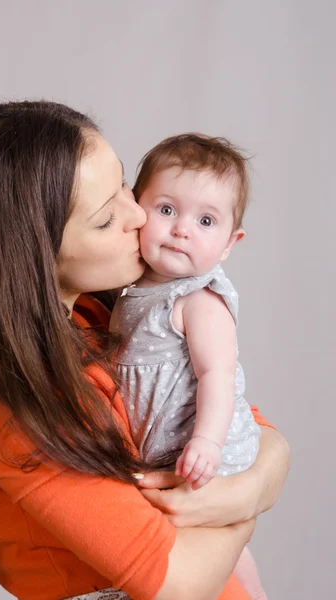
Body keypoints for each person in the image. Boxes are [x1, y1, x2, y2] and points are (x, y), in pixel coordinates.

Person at [0, 101, 289, 600]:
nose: (140, 213)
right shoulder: (2, 389)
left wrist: (251, 485)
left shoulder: (94, 315)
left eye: (124, 184)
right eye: (105, 219)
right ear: (36, 250)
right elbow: (177, 583)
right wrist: (247, 500)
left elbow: (247, 421)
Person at [109, 134, 267, 599]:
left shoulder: (198, 298)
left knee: (220, 549)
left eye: (205, 220)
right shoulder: (131, 291)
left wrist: (207, 442)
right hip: (167, 450)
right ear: (137, 207)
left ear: (228, 243)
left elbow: (217, 375)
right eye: (166, 209)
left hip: (203, 448)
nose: (182, 229)